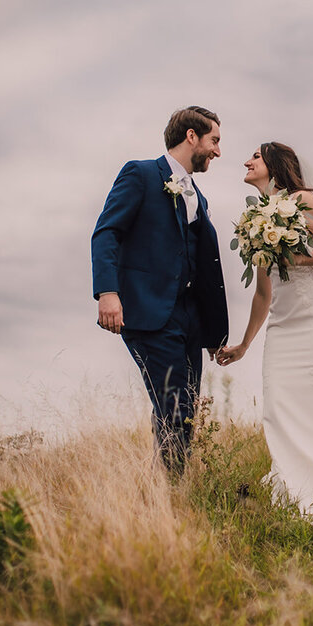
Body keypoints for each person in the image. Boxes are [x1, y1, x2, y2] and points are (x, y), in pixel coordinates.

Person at [216, 142, 313, 515]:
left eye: (254, 156)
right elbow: (261, 294)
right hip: (282, 328)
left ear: (273, 164)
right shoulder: (258, 219)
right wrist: (243, 345)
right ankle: (296, 489)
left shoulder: (302, 201)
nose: (246, 161)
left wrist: (293, 257)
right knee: (278, 407)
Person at [91, 106, 228, 474]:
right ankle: (172, 491)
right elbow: (107, 233)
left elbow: (202, 265)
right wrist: (108, 291)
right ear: (191, 136)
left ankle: (171, 487)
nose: (217, 151)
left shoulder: (198, 195)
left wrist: (212, 331)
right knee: (174, 406)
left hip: (188, 319)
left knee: (188, 407)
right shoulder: (140, 174)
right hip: (150, 311)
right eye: (214, 140)